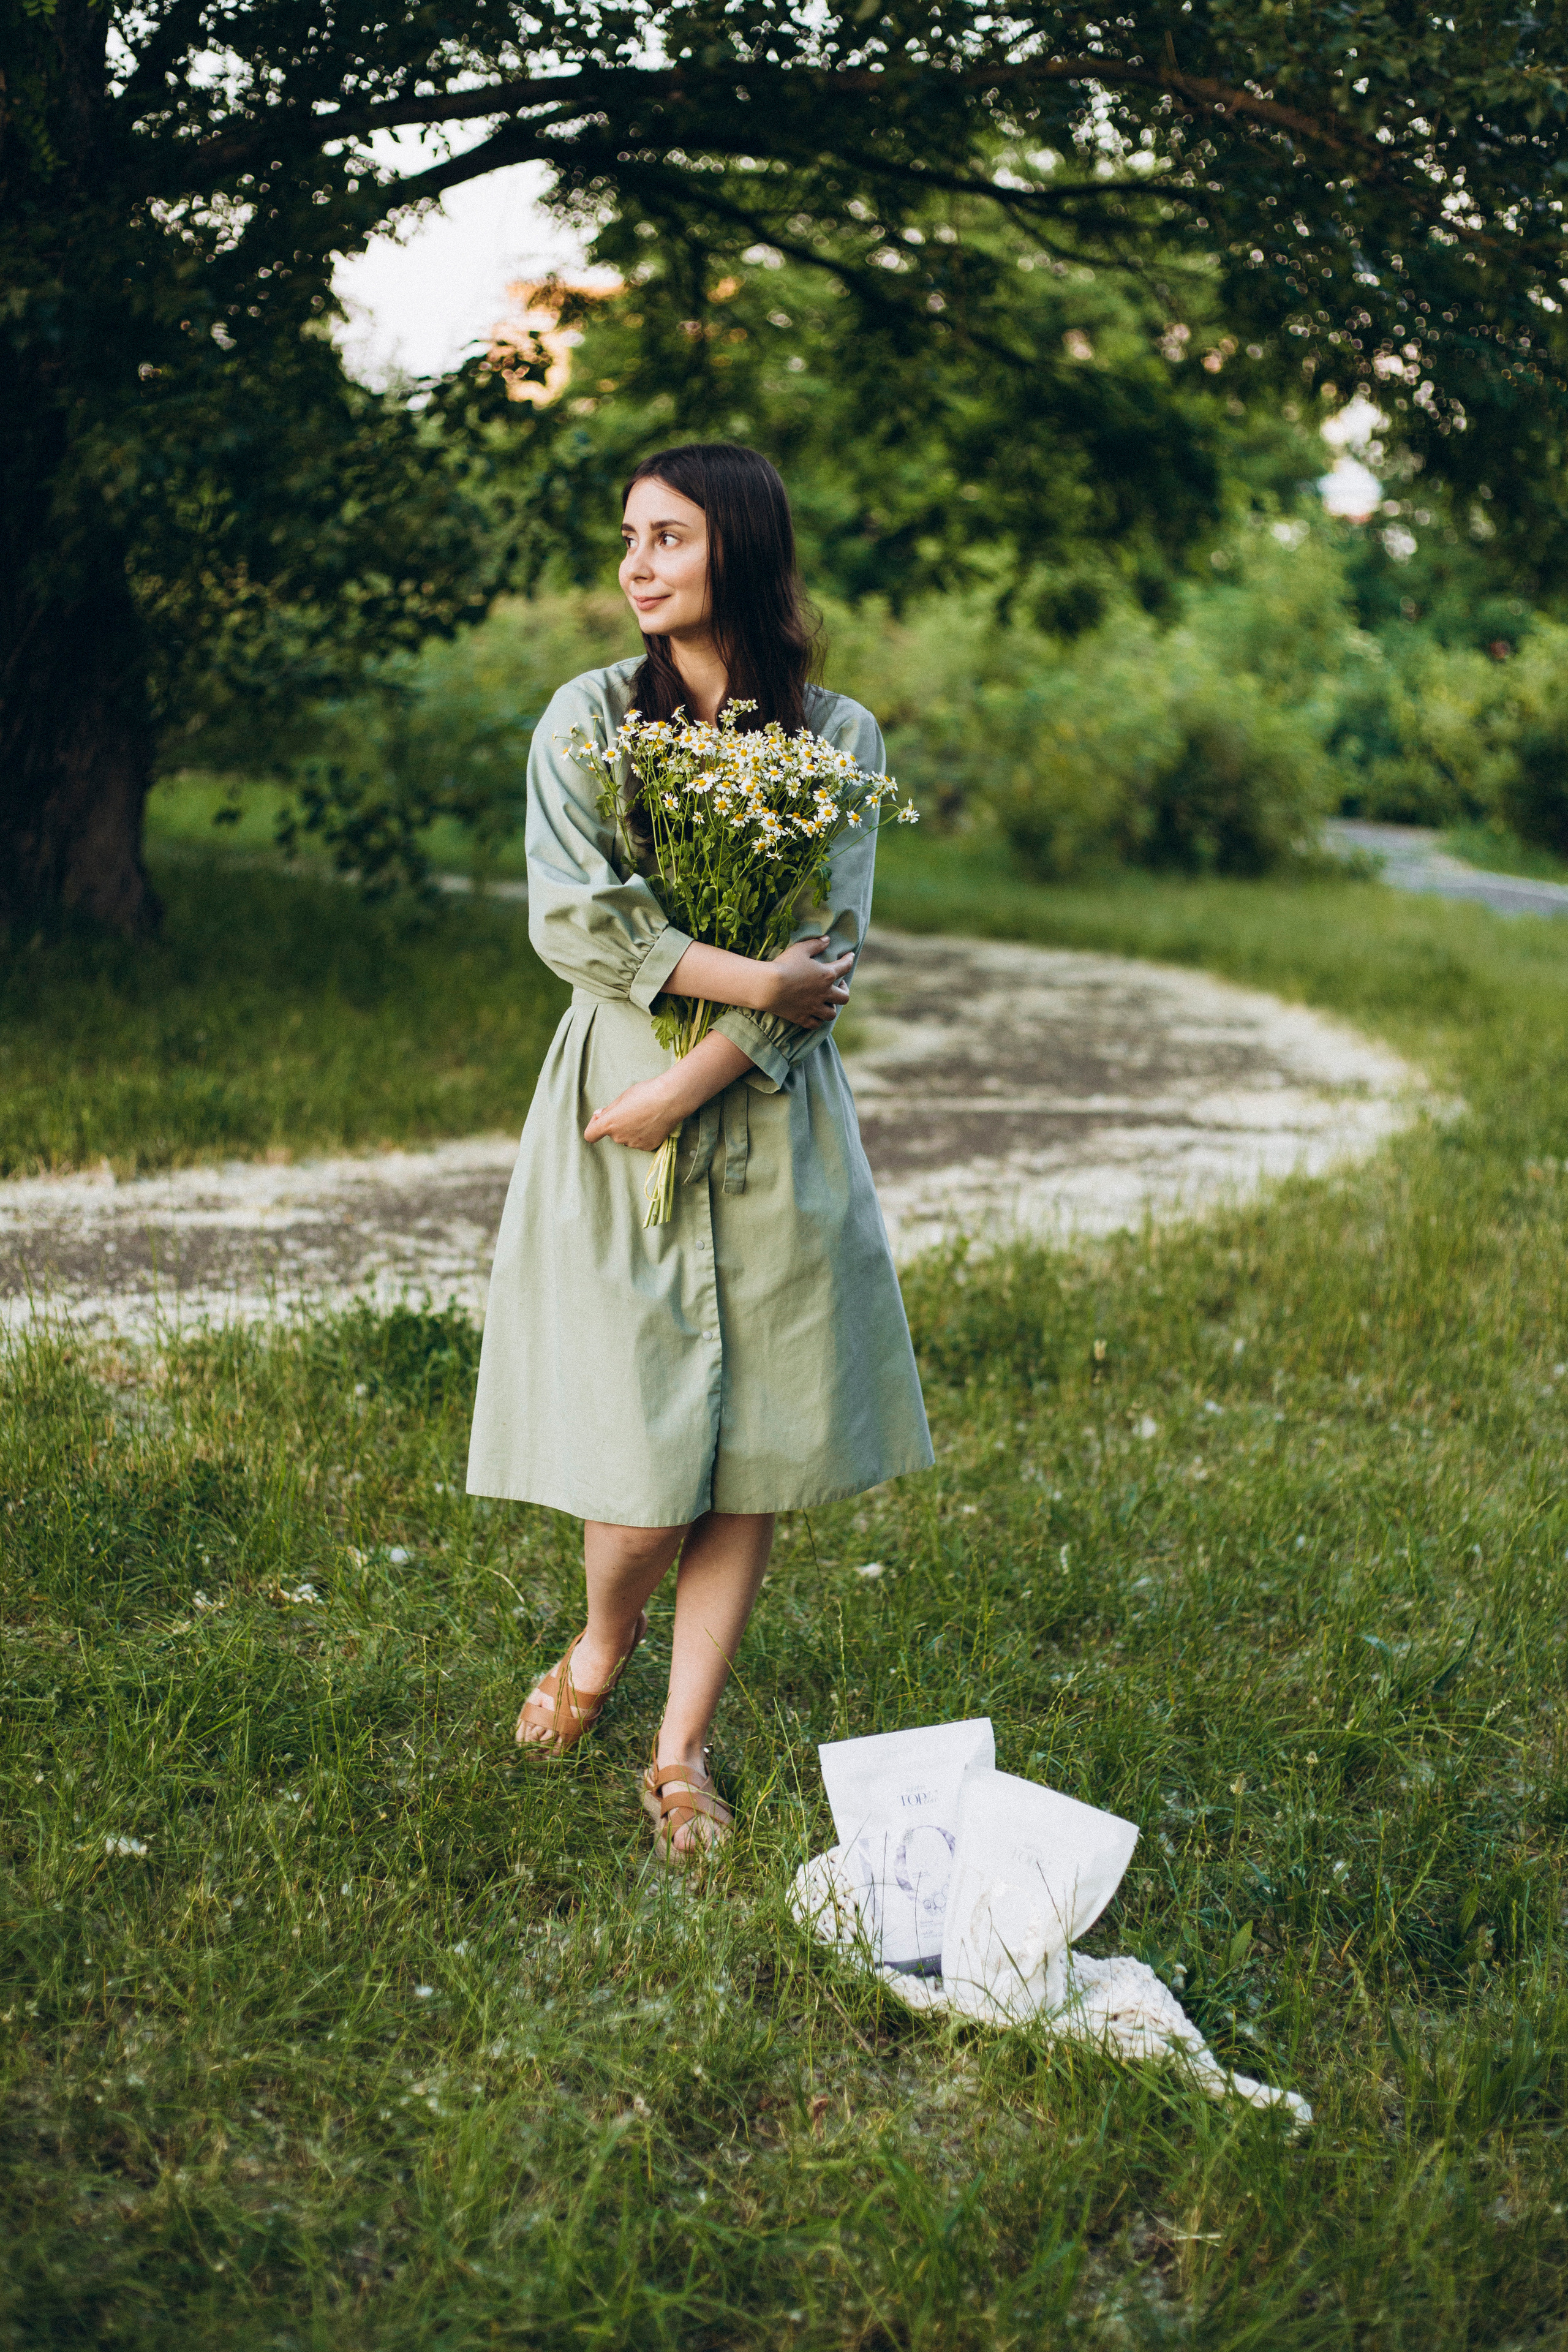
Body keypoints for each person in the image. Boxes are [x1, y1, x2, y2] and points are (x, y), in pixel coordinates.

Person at [466, 441, 932, 1858]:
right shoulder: (586, 718)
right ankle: (601, 1648)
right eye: (626, 539)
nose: (634, 564)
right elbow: (577, 923)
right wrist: (740, 998)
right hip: (616, 1087)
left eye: (664, 538)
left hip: (773, 1113)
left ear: (733, 545)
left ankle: (679, 1755)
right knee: (638, 1439)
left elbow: (827, 952)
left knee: (755, 1453)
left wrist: (717, 1067)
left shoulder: (834, 736)